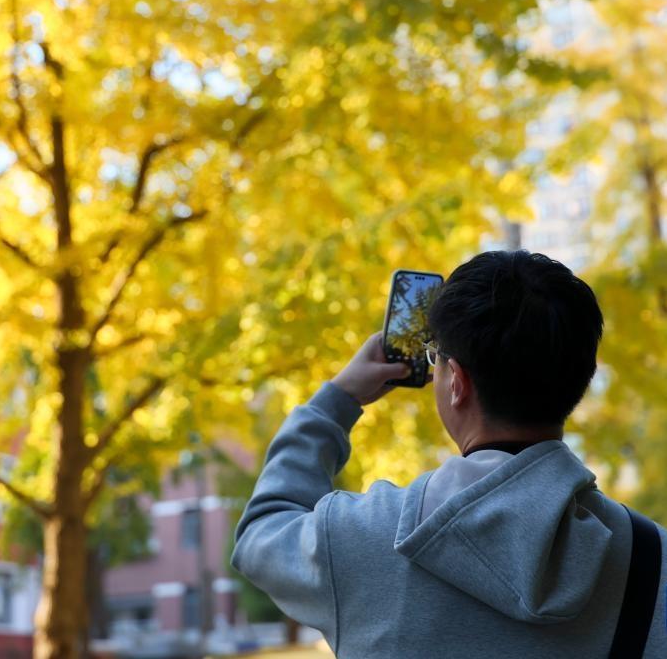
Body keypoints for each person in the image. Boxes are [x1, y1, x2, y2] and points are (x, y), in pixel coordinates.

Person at [231, 250, 666, 658]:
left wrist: (337, 400)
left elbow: (261, 532)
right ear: (580, 379)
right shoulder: (654, 557)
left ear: (456, 380)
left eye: (435, 358)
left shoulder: (360, 539)